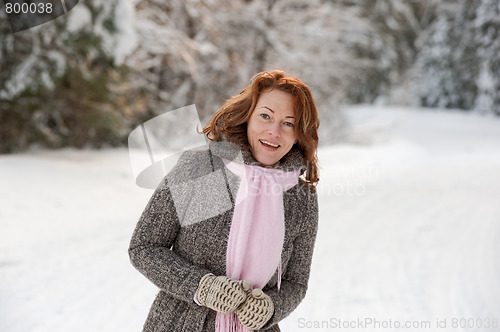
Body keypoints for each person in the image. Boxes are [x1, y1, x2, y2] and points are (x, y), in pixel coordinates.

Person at [129, 69, 320, 332]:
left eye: (289, 123)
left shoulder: (301, 197)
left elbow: (295, 282)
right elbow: (145, 247)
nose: (274, 131)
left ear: (300, 133)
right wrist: (202, 286)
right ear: (247, 117)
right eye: (265, 116)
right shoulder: (200, 170)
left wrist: (271, 308)